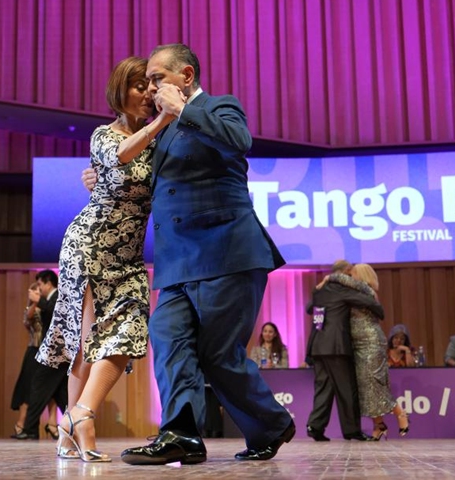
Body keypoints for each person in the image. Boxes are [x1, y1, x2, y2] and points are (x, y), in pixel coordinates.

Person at [110, 43, 295, 465]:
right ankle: (181, 434)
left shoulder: (218, 106)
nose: (150, 87)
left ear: (186, 76)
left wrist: (183, 110)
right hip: (176, 262)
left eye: (157, 78)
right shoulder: (161, 129)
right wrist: (102, 181)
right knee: (168, 337)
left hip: (225, 252)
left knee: (218, 355)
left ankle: (270, 424)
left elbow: (239, 141)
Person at [36, 56, 175, 463]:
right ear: (120, 91)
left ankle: (75, 417)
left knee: (129, 332)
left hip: (129, 256)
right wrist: (161, 121)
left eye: (151, 87)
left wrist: (163, 125)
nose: (148, 94)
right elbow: (118, 159)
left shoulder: (158, 140)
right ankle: (75, 427)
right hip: (89, 245)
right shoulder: (104, 135)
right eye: (139, 86)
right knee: (87, 343)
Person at [330, 264, 410, 440]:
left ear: (361, 276)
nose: (350, 277)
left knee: (375, 383)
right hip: (358, 345)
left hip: (371, 342)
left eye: (353, 274)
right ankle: (378, 425)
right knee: (366, 387)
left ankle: (400, 413)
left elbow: (342, 279)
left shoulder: (367, 290)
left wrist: (330, 277)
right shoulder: (355, 292)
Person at [305, 260, 381, 442]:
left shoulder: (320, 290)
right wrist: (379, 308)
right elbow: (369, 302)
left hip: (318, 346)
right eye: (350, 274)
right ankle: (352, 430)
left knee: (324, 388)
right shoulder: (342, 290)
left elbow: (309, 308)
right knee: (347, 389)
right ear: (346, 272)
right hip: (336, 347)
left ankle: (315, 426)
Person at [14, 270, 67, 441]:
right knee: (61, 393)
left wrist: (39, 301)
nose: (39, 288)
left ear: (48, 283)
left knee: (38, 387)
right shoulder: (48, 300)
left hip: (55, 352)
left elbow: (57, 313)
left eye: (40, 284)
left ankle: (30, 429)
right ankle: (74, 426)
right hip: (54, 352)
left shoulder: (58, 296)